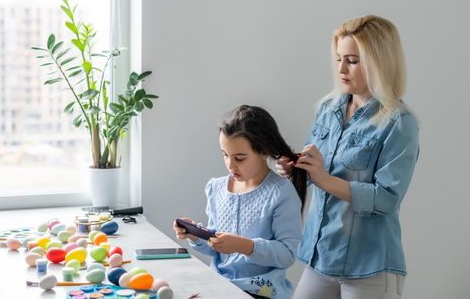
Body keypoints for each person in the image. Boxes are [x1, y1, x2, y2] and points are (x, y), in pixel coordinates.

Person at [276, 15, 420, 299]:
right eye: (339, 58)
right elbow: (315, 167)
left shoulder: (399, 123)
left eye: (352, 60)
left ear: (379, 62)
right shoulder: (327, 110)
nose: (341, 68)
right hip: (321, 256)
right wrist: (295, 167)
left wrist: (324, 179)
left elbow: (387, 198)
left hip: (371, 266)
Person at [173, 105, 306, 299]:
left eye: (240, 158)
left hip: (262, 292)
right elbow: (216, 248)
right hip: (220, 287)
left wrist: (244, 246)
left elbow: (286, 255)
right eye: (225, 155)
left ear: (264, 151)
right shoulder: (216, 188)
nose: (230, 164)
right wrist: (195, 234)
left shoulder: (281, 193)